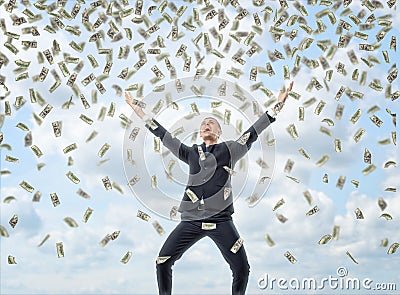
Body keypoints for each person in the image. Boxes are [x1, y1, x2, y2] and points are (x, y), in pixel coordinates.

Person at [125, 81, 293, 295]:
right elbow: (162, 134)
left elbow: (253, 132)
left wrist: (276, 107)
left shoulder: (230, 149)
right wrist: (137, 109)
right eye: (203, 123)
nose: (206, 125)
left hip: (221, 220)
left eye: (211, 123)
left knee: (242, 269)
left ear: (219, 131)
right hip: (191, 220)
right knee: (162, 262)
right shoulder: (190, 153)